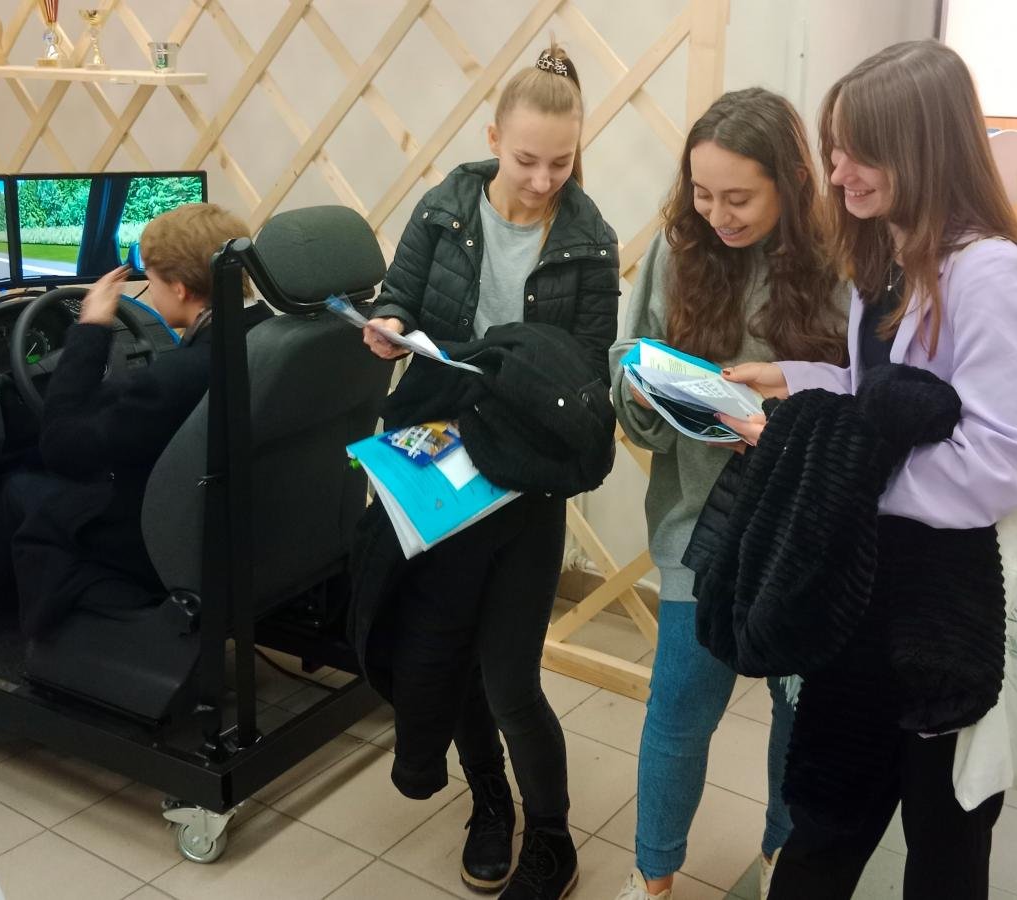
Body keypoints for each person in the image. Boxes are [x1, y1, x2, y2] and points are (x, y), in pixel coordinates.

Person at [719, 40, 1017, 899]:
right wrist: (791, 381)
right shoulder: (886, 257)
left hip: (941, 608)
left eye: (858, 153)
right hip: (863, 597)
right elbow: (880, 395)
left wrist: (829, 473)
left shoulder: (987, 273)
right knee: (826, 819)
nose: (836, 172)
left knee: (942, 841)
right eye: (835, 148)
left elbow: (1007, 456)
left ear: (922, 148)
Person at [361, 44, 619, 900]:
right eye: (525, 160)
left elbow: (584, 368)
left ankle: (550, 835)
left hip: (525, 472)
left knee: (510, 674)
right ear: (492, 140)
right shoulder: (443, 210)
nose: (542, 180)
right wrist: (386, 324)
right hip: (438, 460)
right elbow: (399, 294)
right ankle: (489, 805)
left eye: (561, 162)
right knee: (450, 655)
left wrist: (519, 379)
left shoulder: (589, 241)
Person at [608, 88, 847, 900]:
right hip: (697, 530)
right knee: (677, 711)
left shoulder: (839, 262)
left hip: (801, 535)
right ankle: (652, 876)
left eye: (738, 197)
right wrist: (641, 390)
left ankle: (782, 857)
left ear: (792, 181)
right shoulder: (678, 250)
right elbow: (629, 359)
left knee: (797, 716)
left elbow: (861, 397)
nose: (717, 215)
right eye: (702, 194)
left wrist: (780, 416)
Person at [0, 203, 266, 633]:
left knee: (17, 488)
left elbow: (60, 445)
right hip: (230, 522)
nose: (150, 290)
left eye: (152, 279)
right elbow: (142, 409)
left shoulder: (182, 375)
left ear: (180, 289)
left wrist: (90, 330)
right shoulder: (263, 336)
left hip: (152, 532)